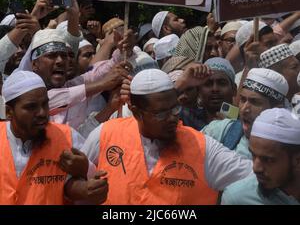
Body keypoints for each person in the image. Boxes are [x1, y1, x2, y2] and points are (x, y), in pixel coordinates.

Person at [78, 69, 252, 205]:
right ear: (137, 113)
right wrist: (85, 189)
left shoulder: (202, 146)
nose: (172, 118)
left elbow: (255, 179)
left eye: (175, 109)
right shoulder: (105, 134)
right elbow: (74, 182)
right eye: (161, 114)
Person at [0, 70, 108, 205]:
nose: (42, 113)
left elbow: (72, 184)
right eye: (31, 107)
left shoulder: (66, 137)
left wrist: (88, 185)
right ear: (9, 112)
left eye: (45, 104)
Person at [203, 68, 288, 158]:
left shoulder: (286, 154)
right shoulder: (222, 130)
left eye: (255, 102)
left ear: (276, 110)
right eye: (243, 100)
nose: (244, 109)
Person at [222, 108, 300, 205]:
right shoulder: (237, 199)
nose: (256, 168)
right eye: (253, 155)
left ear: (297, 160)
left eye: (268, 160)